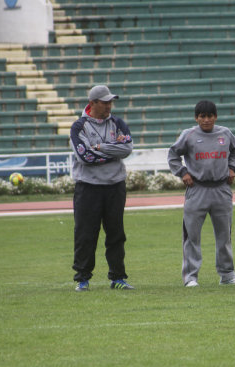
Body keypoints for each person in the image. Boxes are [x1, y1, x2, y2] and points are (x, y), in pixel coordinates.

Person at [167, 100, 235, 287]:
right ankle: (190, 277)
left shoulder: (225, 133)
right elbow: (173, 155)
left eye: (210, 116)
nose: (206, 120)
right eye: (202, 116)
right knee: (192, 236)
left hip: (221, 189)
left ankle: (227, 275)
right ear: (196, 118)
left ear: (215, 117)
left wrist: (233, 167)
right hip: (197, 189)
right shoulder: (189, 135)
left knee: (224, 235)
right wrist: (183, 173)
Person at [70, 85, 135, 292]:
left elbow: (127, 148)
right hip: (88, 187)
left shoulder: (117, 122)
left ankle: (118, 278)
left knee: (116, 233)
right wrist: (113, 151)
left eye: (110, 102)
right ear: (93, 103)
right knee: (85, 234)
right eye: (105, 102)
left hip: (115, 186)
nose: (109, 105)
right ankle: (82, 278)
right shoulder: (79, 127)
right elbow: (85, 157)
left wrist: (100, 147)